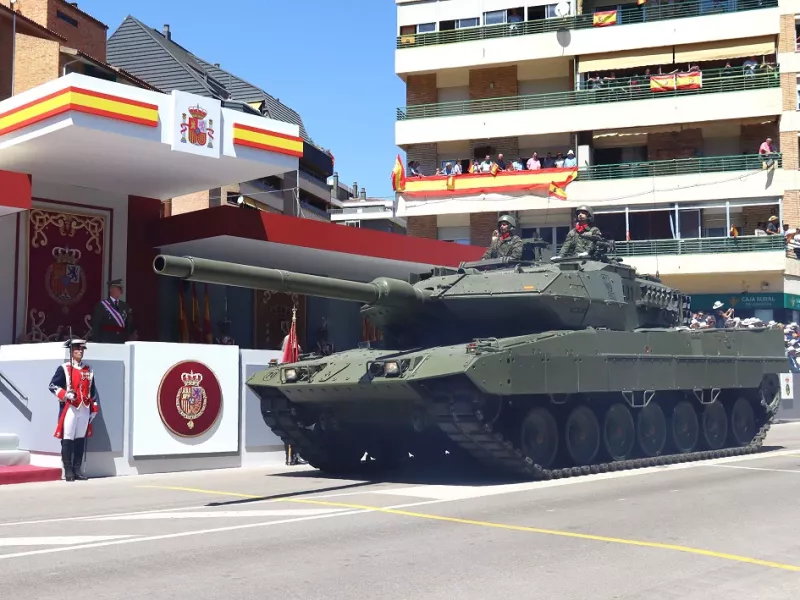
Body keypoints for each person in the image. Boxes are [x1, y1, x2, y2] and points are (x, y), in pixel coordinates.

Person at [48, 339, 100, 482]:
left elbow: (92, 390)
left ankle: (77, 468)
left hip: (84, 408)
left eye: (82, 349)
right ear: (71, 351)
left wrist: (94, 407)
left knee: (80, 439)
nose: (80, 351)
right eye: (77, 349)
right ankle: (68, 469)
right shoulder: (64, 368)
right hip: (70, 407)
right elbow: (52, 386)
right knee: (68, 438)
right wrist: (65, 394)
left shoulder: (88, 369)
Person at [90, 278, 136, 343]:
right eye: (118, 288)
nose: (120, 291)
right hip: (106, 339)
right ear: (111, 289)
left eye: (121, 289)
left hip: (121, 340)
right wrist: (96, 341)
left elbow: (128, 323)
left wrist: (128, 337)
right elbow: (96, 325)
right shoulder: (101, 305)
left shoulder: (125, 306)